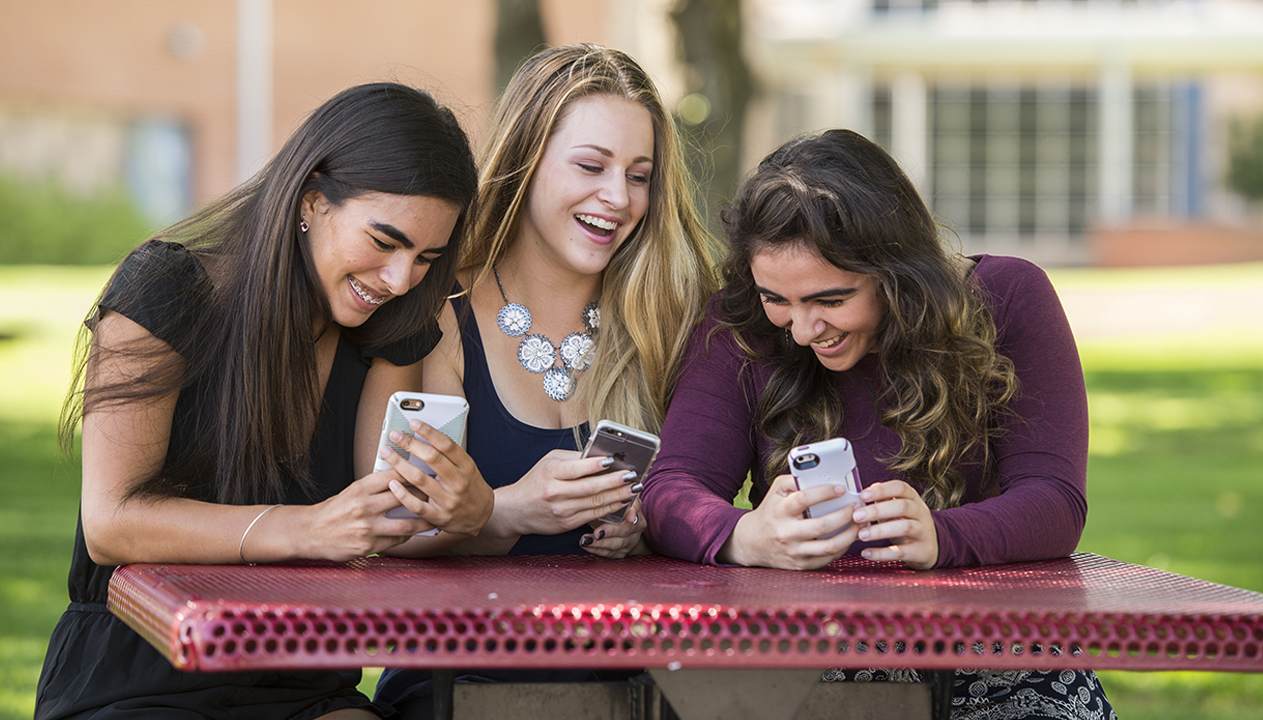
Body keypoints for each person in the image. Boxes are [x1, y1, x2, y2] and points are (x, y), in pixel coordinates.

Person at [36, 82, 488, 720]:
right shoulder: (167, 294)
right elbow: (111, 523)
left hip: (297, 679)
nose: (400, 279)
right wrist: (302, 528)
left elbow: (377, 521)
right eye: (385, 243)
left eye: (426, 257)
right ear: (312, 201)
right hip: (139, 671)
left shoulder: (390, 329)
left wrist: (465, 513)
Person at [641, 129, 1115, 719]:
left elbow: (1056, 501)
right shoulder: (738, 325)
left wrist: (942, 537)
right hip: (813, 653)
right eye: (777, 299)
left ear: (897, 270)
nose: (802, 329)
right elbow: (670, 490)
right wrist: (748, 536)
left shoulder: (1008, 297)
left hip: (992, 652)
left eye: (831, 300)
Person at [375, 44, 717, 712]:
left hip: (634, 685)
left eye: (640, 175)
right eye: (591, 166)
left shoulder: (668, 315)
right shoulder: (439, 315)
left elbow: (710, 501)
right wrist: (510, 512)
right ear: (527, 162)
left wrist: (650, 527)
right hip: (464, 679)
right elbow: (398, 530)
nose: (617, 198)